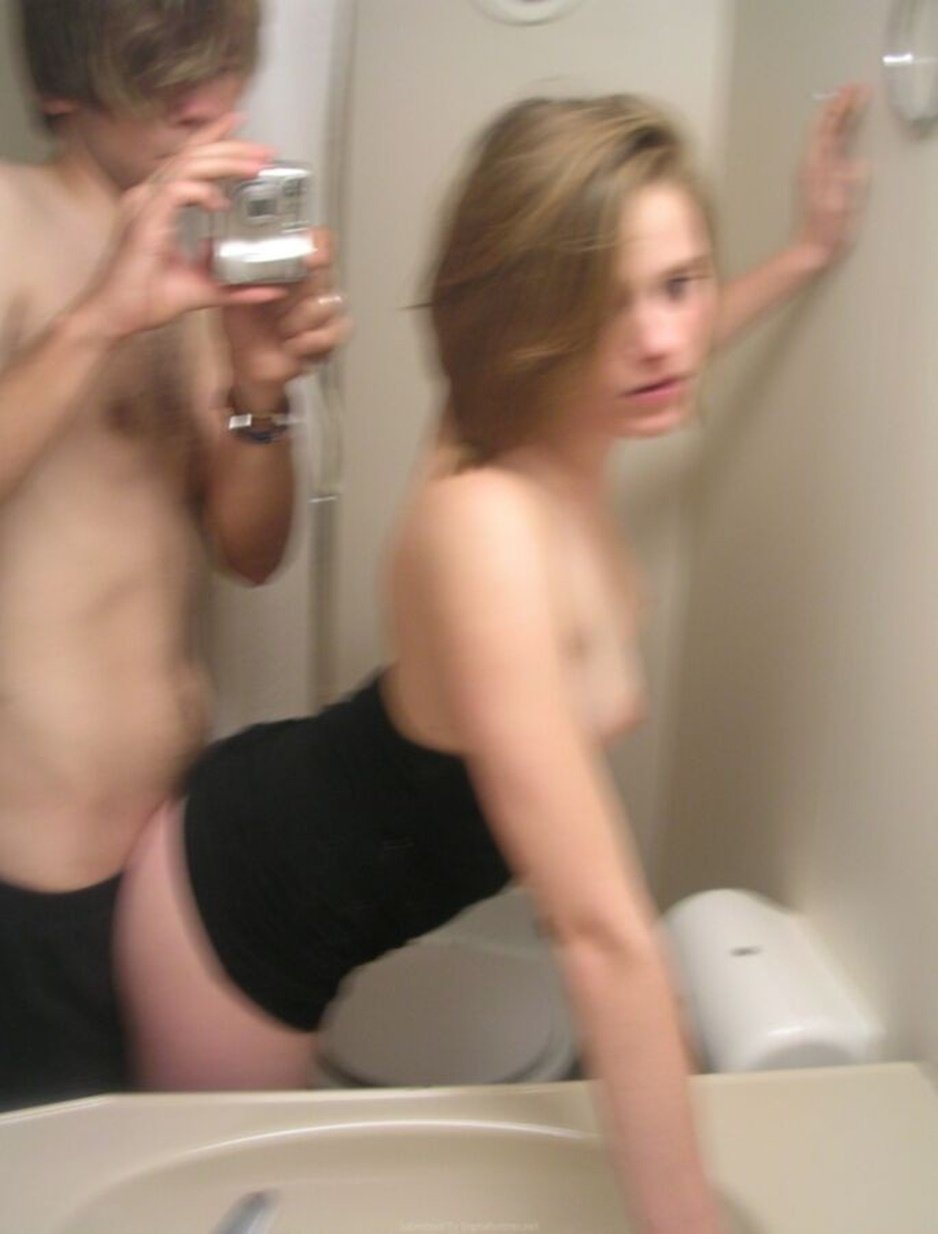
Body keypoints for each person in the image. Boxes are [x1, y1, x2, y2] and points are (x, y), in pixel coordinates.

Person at [115, 87, 866, 1234]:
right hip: (238, 916)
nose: (660, 338)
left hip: (293, 839)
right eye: (603, 303)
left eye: (678, 282)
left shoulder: (566, 414)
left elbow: (673, 348)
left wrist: (807, 251)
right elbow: (601, 937)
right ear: (531, 320)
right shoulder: (485, 528)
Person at [0, 0, 348, 1109]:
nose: (210, 105)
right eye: (162, 79)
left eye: (224, 66)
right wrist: (99, 316)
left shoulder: (191, 261)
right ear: (61, 86)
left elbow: (252, 551)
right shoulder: (6, 219)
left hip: (172, 855)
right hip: (34, 873)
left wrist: (259, 392)